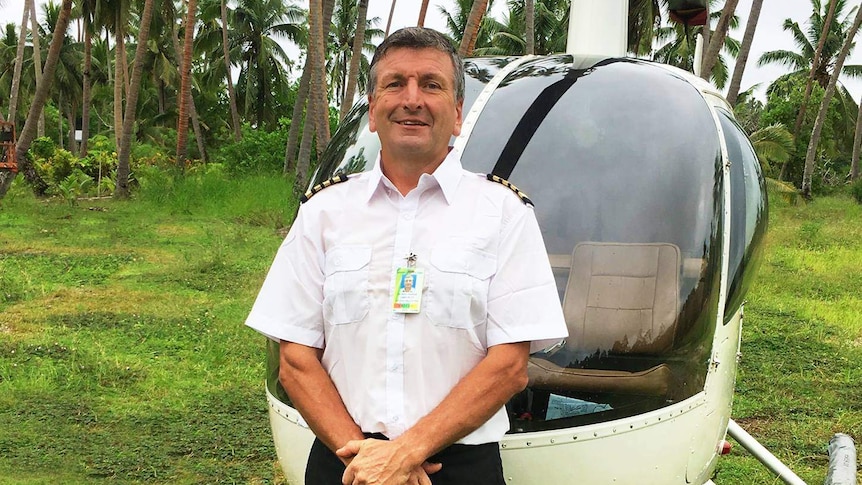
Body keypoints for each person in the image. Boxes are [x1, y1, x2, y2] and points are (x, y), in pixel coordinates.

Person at [245, 27, 567, 485]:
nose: (412, 98)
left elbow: (509, 366)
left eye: (431, 85)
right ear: (372, 112)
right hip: (344, 459)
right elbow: (295, 357)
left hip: (456, 467)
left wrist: (405, 452)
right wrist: (367, 460)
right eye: (395, 84)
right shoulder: (323, 212)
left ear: (456, 114)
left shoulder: (504, 215)